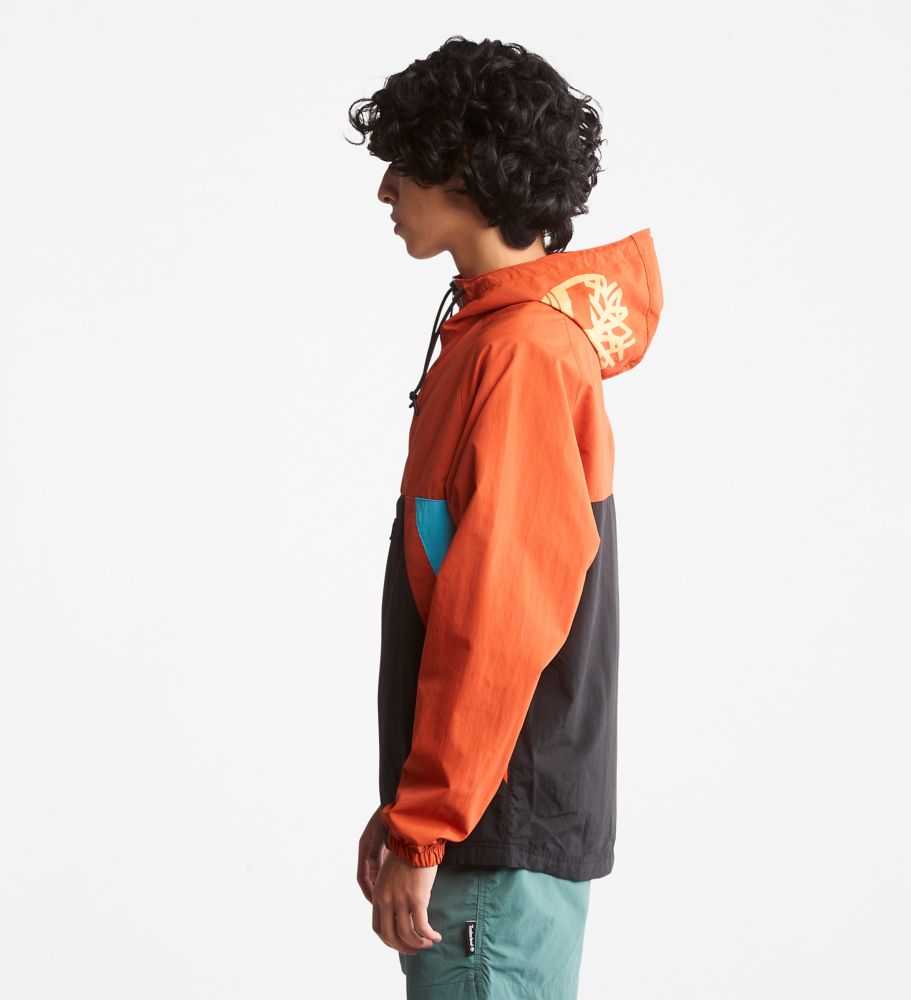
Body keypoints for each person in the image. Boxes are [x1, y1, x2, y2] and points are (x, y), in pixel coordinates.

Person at [347, 36, 662, 999]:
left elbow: (500, 617)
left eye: (403, 165)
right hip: (487, 822)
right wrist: (412, 801)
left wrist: (428, 822)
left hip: (493, 835)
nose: (385, 189)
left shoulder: (520, 353)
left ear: (465, 171)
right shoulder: (498, 338)